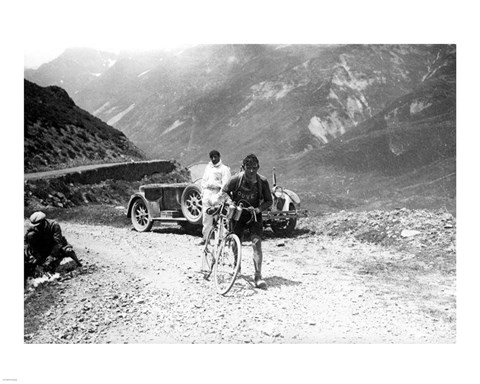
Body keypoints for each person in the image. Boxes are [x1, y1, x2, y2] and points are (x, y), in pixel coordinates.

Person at [220, 154, 272, 289]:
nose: (251, 171)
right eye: (248, 167)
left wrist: (259, 209)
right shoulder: (236, 179)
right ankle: (237, 267)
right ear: (243, 167)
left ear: (258, 167)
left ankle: (258, 276)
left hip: (254, 214)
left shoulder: (263, 182)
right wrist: (230, 202)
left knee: (257, 243)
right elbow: (224, 191)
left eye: (254, 168)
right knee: (236, 241)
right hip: (238, 214)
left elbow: (269, 201)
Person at [24, 211, 82, 281]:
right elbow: (25, 242)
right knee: (31, 237)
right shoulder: (33, 228)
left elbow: (58, 243)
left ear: (43, 222)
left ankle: (78, 264)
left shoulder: (54, 225)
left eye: (38, 226)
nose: (37, 228)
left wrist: (51, 256)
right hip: (43, 247)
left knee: (68, 251)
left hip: (56, 246)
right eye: (35, 226)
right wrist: (30, 254)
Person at [198, 150, 231, 245]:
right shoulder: (208, 168)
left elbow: (226, 184)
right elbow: (204, 180)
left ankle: (221, 239)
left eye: (215, 157)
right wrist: (203, 192)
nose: (213, 159)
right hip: (207, 193)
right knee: (206, 217)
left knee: (219, 218)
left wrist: (219, 195)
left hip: (218, 193)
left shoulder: (224, 169)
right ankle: (205, 238)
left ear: (219, 156)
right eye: (211, 157)